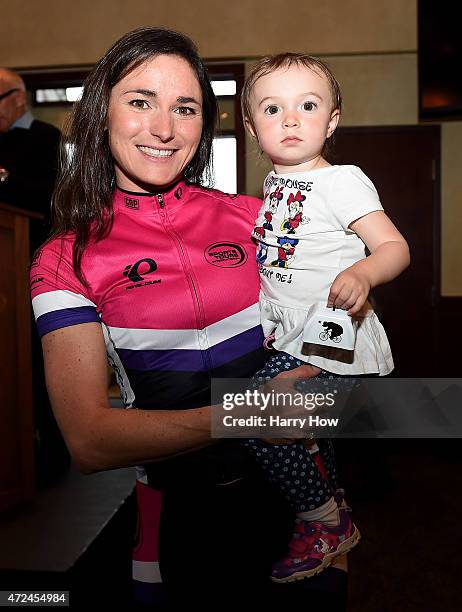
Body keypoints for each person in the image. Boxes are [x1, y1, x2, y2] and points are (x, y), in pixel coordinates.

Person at [30, 29, 349, 609]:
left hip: (300, 504)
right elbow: (89, 440)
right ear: (102, 111)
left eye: (185, 108)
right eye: (140, 101)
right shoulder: (63, 258)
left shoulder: (256, 218)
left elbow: (344, 357)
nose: (164, 128)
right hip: (180, 521)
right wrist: (253, 410)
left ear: (207, 124)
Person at [240, 53, 410, 582]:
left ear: (332, 120)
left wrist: (364, 273)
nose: (290, 120)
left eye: (307, 106)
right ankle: (332, 503)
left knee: (257, 416)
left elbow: (395, 247)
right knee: (306, 433)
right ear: (250, 128)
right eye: (272, 109)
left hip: (329, 337)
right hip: (287, 336)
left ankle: (322, 520)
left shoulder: (342, 182)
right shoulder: (273, 185)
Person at [0, 67, 61, 251]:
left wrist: (3, 177)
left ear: (18, 98)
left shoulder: (47, 136)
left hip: (31, 245)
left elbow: (49, 197)